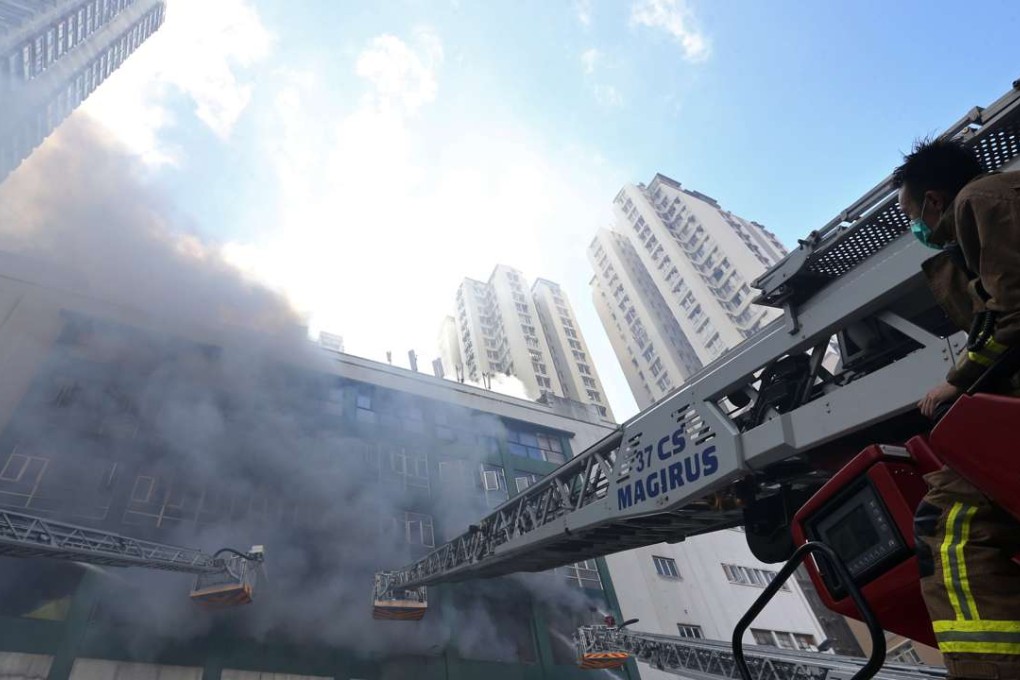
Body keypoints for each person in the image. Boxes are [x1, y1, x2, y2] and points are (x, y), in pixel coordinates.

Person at [893, 138, 1020, 679]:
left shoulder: (980, 201)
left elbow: (1013, 313)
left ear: (933, 201)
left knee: (947, 523)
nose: (912, 230)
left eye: (910, 215)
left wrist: (956, 383)